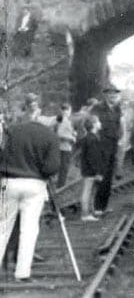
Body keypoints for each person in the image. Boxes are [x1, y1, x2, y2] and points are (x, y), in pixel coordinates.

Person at [0, 115, 61, 282]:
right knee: (29, 230)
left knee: (3, 227)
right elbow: (52, 167)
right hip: (35, 184)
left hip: (9, 182)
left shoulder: (11, 131)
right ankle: (22, 273)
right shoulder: (50, 135)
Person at [90, 85, 123, 216]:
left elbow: (120, 125)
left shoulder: (117, 109)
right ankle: (95, 207)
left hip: (113, 146)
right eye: (110, 94)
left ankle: (103, 207)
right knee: (99, 177)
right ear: (105, 95)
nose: (113, 97)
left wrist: (120, 139)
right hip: (100, 146)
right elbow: (91, 125)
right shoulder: (97, 108)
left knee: (108, 178)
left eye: (115, 95)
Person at [78, 116, 104, 221]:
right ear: (93, 125)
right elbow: (93, 157)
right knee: (87, 192)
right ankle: (85, 214)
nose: (100, 123)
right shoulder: (92, 139)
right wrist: (97, 171)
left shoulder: (87, 137)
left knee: (90, 191)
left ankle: (90, 211)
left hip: (87, 169)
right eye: (98, 121)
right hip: (91, 171)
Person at [54, 103, 76, 188]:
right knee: (63, 168)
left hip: (64, 147)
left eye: (68, 111)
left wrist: (73, 133)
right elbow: (59, 134)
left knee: (62, 168)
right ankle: (60, 186)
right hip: (64, 147)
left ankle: (59, 184)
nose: (67, 113)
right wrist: (71, 138)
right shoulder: (62, 120)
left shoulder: (64, 120)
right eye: (66, 111)